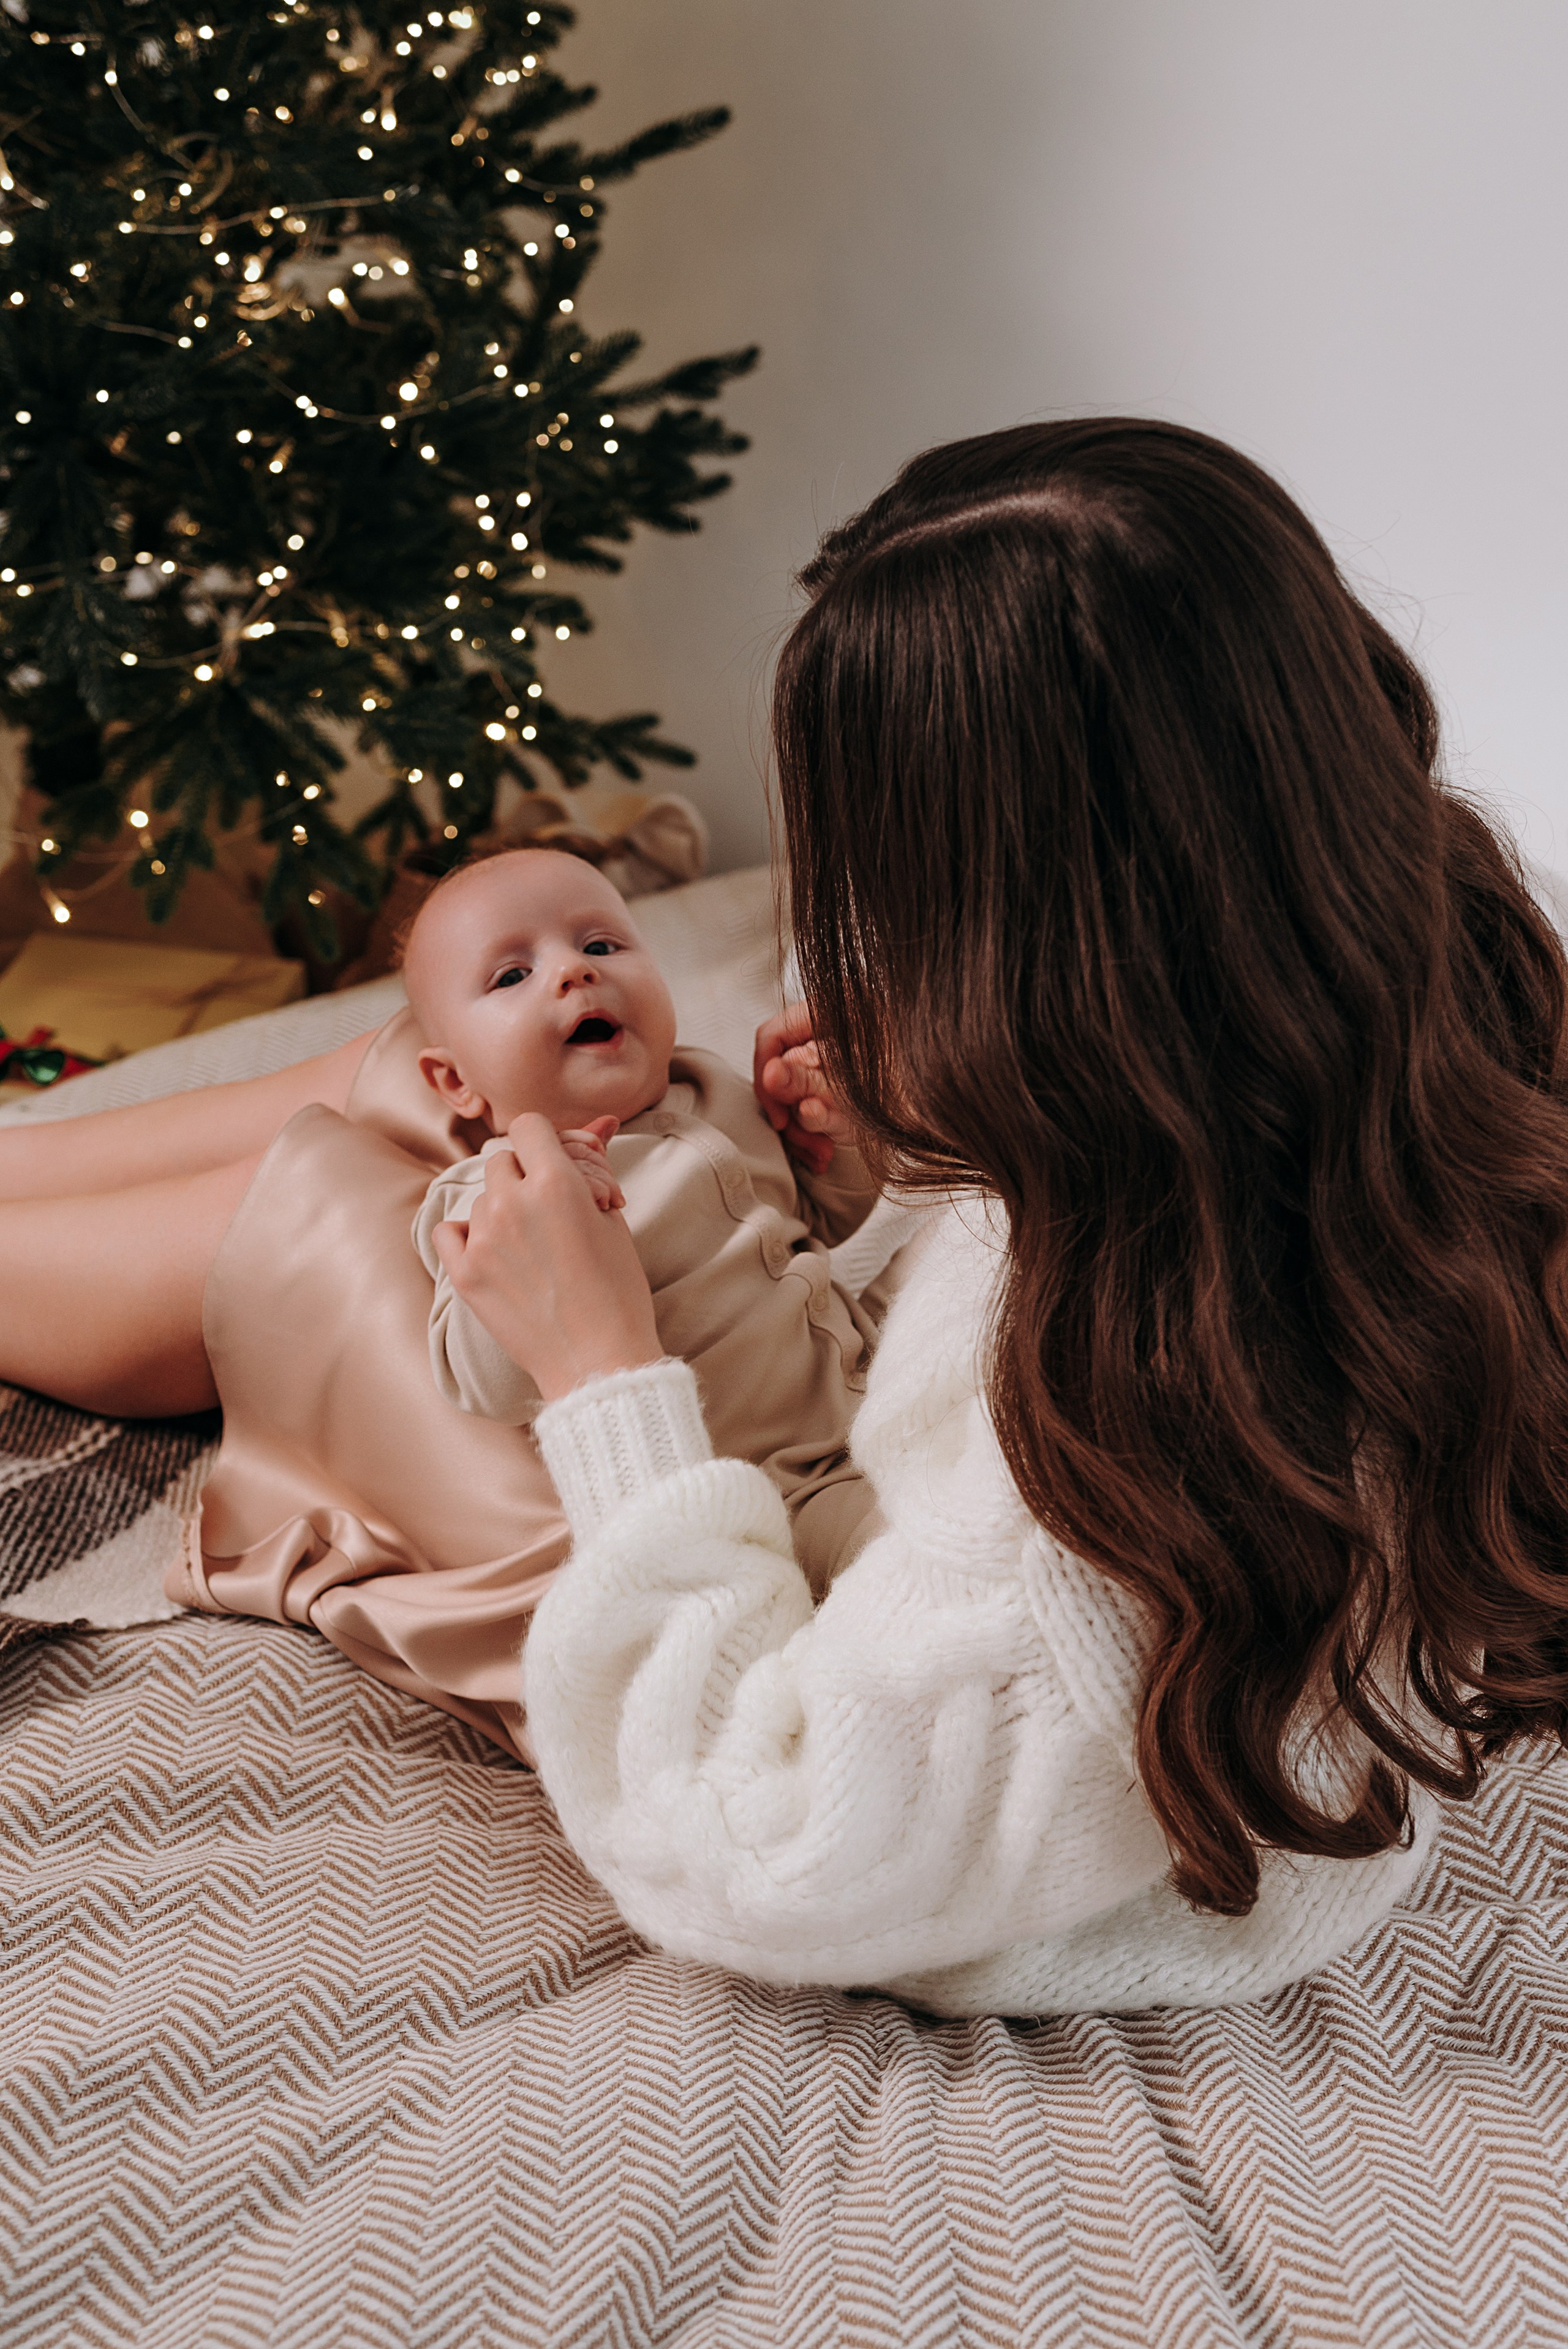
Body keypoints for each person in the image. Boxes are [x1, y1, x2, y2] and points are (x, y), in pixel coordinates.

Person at [429, 418, 1568, 2016]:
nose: (854, 945)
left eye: (893, 893)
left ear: (1020, 933)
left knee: (326, 1207)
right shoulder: (1425, 1034)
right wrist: (942, 1140)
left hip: (842, 1657)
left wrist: (600, 1378)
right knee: (372, 1109)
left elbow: (759, 1847)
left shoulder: (1082, 1509)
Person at [0, 848, 881, 1761]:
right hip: (767, 1488)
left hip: (851, 1417)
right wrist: (557, 1249)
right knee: (871, 1555)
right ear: (457, 1089)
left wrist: (840, 1142)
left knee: (899, 1543)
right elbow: (487, 1377)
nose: (573, 971)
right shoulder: (490, 1198)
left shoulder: (717, 1094)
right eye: (513, 973)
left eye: (603, 943)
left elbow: (817, 1217)